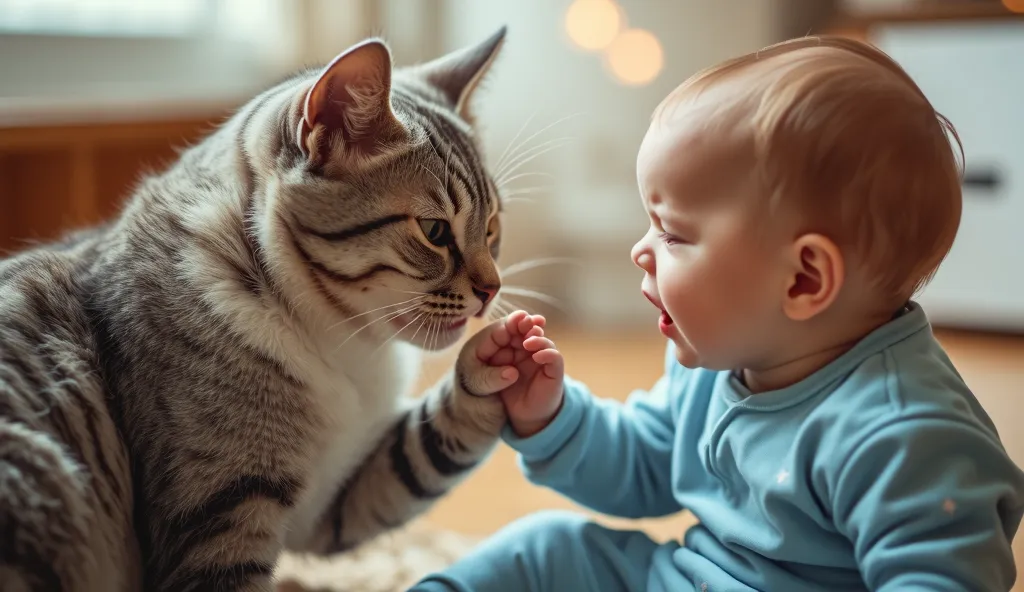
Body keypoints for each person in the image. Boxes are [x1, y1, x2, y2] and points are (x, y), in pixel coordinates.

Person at [413, 35, 1024, 591]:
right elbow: (642, 464)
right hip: (679, 578)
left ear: (804, 278)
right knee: (548, 549)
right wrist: (550, 415)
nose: (640, 250)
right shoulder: (718, 354)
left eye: (673, 233)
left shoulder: (904, 436)